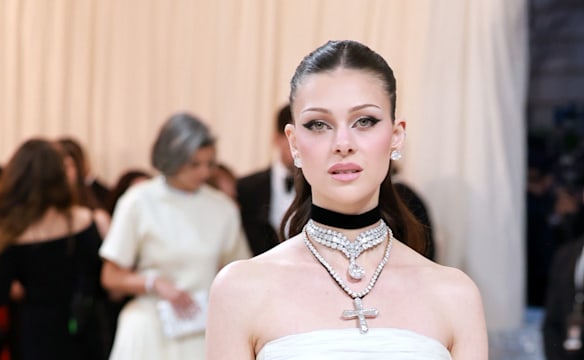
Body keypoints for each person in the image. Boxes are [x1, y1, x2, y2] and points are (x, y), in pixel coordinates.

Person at [206, 40, 488, 359]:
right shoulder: (240, 289)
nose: (343, 143)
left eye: (364, 121)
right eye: (319, 124)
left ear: (396, 136)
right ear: (294, 143)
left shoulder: (455, 294)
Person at [99, 113, 251, 359]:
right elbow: (111, 276)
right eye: (194, 164)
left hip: (200, 327)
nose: (203, 172)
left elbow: (238, 270)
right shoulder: (138, 201)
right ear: (171, 159)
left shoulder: (222, 208)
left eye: (209, 163)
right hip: (149, 326)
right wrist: (154, 283)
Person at [0, 138, 107, 360]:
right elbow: (100, 284)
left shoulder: (13, 231)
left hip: (34, 331)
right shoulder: (84, 221)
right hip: (82, 324)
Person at [236, 104, 295, 256]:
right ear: (277, 138)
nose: (299, 146)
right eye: (292, 138)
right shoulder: (246, 188)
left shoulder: (322, 188)